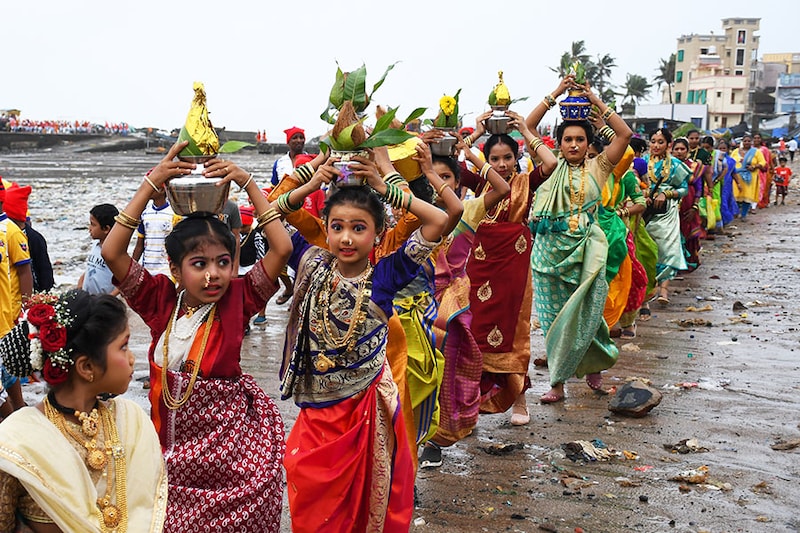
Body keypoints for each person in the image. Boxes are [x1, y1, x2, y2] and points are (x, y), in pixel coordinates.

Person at [101, 141, 292, 532]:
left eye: (224, 263)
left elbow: (283, 247)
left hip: (229, 459)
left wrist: (249, 183)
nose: (214, 275)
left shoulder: (239, 299)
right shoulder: (160, 302)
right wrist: (150, 185)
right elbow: (113, 252)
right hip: (169, 456)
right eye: (199, 264)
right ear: (175, 268)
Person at [278, 151, 450, 532]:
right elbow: (277, 210)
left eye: (359, 228)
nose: (346, 238)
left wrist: (386, 185)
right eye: (337, 226)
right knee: (310, 501)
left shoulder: (386, 274)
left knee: (361, 507)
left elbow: (439, 218)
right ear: (324, 227)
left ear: (376, 233)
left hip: (363, 412)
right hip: (316, 415)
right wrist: (311, 177)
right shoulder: (312, 261)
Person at [0, 289, 167, 532]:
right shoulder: (20, 441)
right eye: (123, 347)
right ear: (86, 367)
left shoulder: (131, 422)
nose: (132, 359)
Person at [526, 76, 632, 403]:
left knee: (588, 313)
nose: (573, 145)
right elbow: (527, 126)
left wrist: (595, 99)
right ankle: (557, 383)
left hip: (586, 251)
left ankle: (594, 364)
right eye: (568, 139)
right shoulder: (548, 166)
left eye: (580, 139)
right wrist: (555, 93)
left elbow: (625, 134)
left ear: (589, 144)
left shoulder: (600, 166)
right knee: (554, 321)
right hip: (547, 257)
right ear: (558, 143)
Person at [419, 137, 511, 468]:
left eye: (446, 178)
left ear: (458, 182)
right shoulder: (417, 212)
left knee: (449, 373)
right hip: (416, 303)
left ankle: (438, 439)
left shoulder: (469, 210)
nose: (438, 182)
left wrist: (472, 154)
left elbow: (500, 188)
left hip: (453, 305)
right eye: (433, 177)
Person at [461, 109, 555, 424]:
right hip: (480, 268)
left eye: (507, 158)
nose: (502, 164)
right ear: (487, 160)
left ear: (516, 158)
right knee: (475, 333)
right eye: (495, 158)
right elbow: (455, 165)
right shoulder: (480, 186)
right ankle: (471, 406)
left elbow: (552, 163)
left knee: (514, 332)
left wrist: (526, 131)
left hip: (513, 270)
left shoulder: (526, 182)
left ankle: (519, 400)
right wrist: (476, 133)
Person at [643, 128, 692, 304]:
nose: (656, 145)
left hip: (666, 212)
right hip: (645, 211)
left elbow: (684, 189)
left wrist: (667, 194)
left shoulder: (676, 166)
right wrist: (644, 194)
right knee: (647, 248)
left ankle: (663, 290)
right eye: (653, 141)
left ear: (668, 144)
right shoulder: (642, 162)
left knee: (667, 248)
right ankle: (648, 288)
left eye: (660, 142)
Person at [3, 185, 55, 292]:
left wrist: (41, 297)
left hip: (24, 296)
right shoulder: (5, 234)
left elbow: (44, 272)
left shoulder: (34, 239)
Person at [672, 137, 705, 271]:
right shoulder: (667, 165)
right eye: (676, 149)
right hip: (672, 204)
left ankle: (689, 261)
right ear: (672, 150)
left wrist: (694, 207)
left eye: (682, 149)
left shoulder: (694, 166)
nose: (679, 152)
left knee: (689, 234)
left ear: (688, 150)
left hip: (689, 203)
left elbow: (698, 188)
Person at [132, 182, 177, 278]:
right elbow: (140, 245)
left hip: (167, 271)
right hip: (148, 269)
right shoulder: (145, 213)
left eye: (152, 187)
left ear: (161, 190)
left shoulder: (174, 214)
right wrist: (131, 268)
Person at [77, 203, 120, 296]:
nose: (89, 229)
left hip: (103, 302)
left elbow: (123, 280)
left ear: (106, 229)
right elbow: (91, 268)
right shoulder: (95, 245)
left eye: (93, 225)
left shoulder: (115, 252)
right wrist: (80, 283)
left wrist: (111, 297)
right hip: (88, 298)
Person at [731, 134, 766, 221]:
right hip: (737, 177)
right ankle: (736, 212)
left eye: (749, 141)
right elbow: (730, 162)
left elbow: (763, 163)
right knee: (736, 195)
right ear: (742, 142)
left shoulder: (756, 152)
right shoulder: (735, 151)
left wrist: (754, 166)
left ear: (752, 142)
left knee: (747, 196)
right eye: (745, 141)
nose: (747, 142)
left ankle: (744, 215)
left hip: (750, 177)